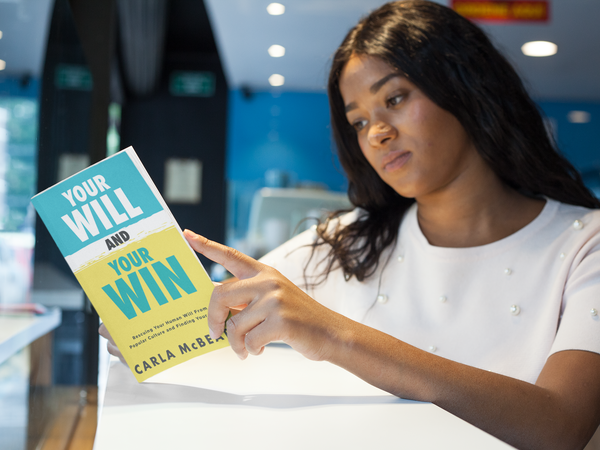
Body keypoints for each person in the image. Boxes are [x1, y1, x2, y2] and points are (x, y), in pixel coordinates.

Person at [101, 1, 600, 448]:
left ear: (467, 88)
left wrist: (336, 337)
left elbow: (560, 426)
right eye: (358, 121)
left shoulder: (587, 244)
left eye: (396, 98)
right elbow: (214, 320)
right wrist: (147, 326)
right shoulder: (345, 243)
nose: (378, 133)